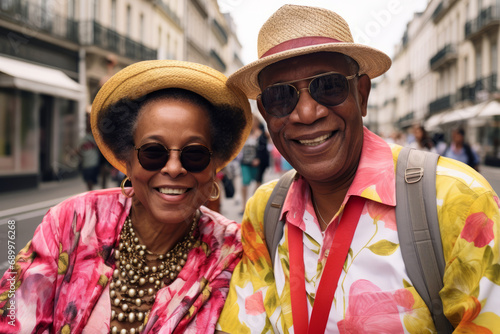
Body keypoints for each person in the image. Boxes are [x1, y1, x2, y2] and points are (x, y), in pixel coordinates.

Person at [216, 5, 500, 333]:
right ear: (266, 113)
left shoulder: (459, 200)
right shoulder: (264, 210)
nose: (307, 113)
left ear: (361, 94)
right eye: (281, 97)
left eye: (329, 86)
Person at [0, 60, 252, 333]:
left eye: (195, 154)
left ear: (214, 167)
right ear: (127, 161)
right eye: (153, 152)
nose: (174, 168)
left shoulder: (233, 253)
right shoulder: (72, 221)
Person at [239, 116, 263, 214]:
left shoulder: (260, 134)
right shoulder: (244, 133)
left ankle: (253, 204)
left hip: (256, 162)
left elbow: (262, 148)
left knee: (257, 183)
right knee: (245, 182)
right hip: (245, 162)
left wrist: (258, 159)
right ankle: (243, 205)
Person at [78, 114, 101, 191]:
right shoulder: (83, 137)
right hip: (87, 163)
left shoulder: (96, 135)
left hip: (94, 162)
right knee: (89, 182)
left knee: (91, 181)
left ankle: (92, 193)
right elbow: (79, 150)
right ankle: (91, 193)